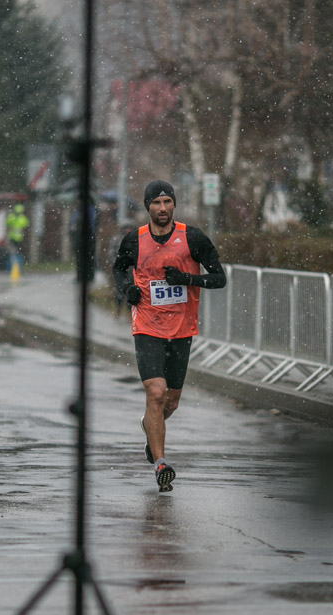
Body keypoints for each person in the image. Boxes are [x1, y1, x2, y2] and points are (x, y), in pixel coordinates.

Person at [112, 180, 227, 491]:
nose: (162, 208)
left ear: (174, 204)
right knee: (156, 393)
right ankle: (161, 463)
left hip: (181, 329)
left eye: (167, 202)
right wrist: (127, 290)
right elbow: (118, 269)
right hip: (147, 326)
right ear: (147, 206)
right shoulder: (134, 240)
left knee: (171, 403)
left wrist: (187, 278)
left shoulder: (192, 238)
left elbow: (220, 279)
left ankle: (149, 427)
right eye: (156, 203)